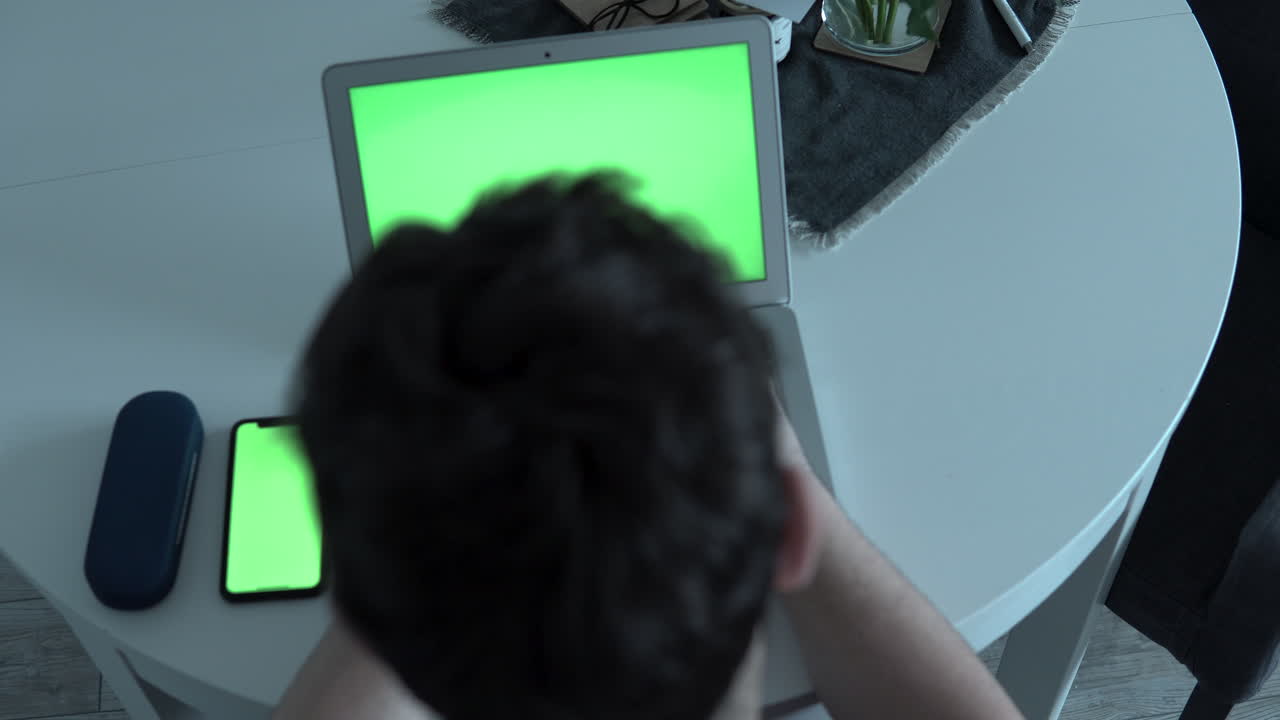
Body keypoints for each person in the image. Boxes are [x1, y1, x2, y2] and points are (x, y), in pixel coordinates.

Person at [277, 171, 1026, 720]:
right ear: (791, 532)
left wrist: (413, 520)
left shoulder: (394, 606)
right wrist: (770, 476)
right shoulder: (794, 521)